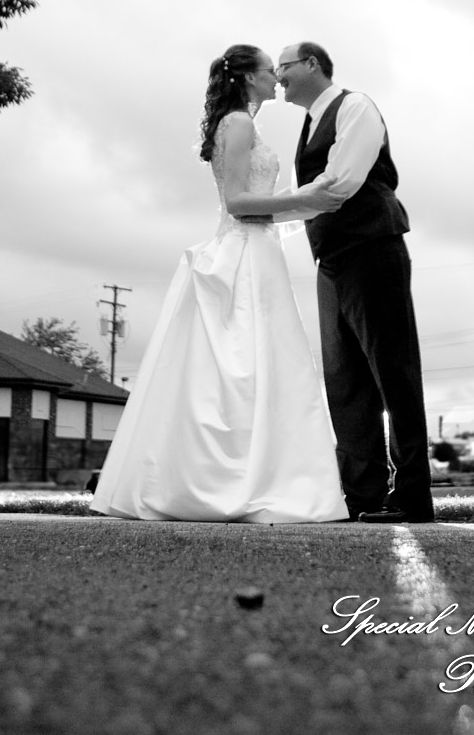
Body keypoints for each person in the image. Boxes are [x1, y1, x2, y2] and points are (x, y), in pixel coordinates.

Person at [90, 45, 350, 523]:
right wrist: (304, 197)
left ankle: (255, 476)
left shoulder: (240, 123)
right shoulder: (241, 124)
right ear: (249, 78)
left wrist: (307, 206)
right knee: (247, 368)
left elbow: (258, 204)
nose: (278, 78)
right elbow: (236, 202)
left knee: (259, 368)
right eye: (271, 71)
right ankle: (235, 480)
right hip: (245, 253)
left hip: (260, 247)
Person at [275, 42, 435, 523]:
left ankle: (411, 497)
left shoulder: (355, 107)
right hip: (331, 259)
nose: (277, 75)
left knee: (393, 373)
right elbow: (315, 192)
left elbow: (341, 182)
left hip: (373, 247)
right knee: (344, 381)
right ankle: (361, 497)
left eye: (283, 66)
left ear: (312, 65)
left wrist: (262, 209)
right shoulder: (307, 125)